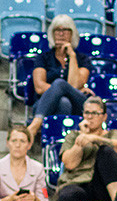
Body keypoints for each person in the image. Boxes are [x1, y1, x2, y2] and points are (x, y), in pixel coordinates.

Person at [25, 14, 93, 142]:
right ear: (52, 34)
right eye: (57, 30)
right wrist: (62, 90)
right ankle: (58, 144)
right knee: (63, 102)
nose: (61, 34)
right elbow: (39, 87)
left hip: (78, 103)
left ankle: (35, 124)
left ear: (72, 34)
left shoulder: (82, 59)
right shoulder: (43, 58)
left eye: (66, 30)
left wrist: (72, 56)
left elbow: (75, 85)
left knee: (60, 84)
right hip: (45, 103)